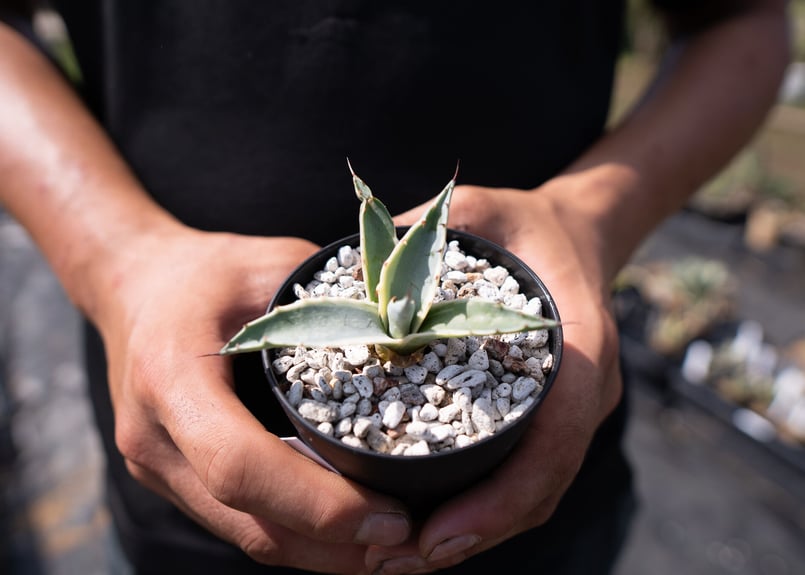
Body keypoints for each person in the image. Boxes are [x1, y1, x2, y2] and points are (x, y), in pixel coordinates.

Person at [0, 1, 789, 573]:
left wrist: (586, 218)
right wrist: (117, 257)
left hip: (554, 494)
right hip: (182, 510)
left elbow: (741, 20)